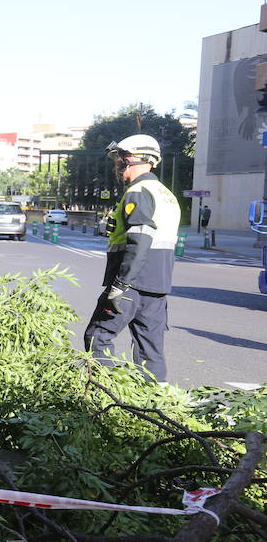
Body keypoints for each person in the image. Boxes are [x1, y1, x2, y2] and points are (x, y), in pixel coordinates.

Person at [83, 134, 180, 383]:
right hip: (157, 285)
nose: (117, 164)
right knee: (151, 351)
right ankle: (153, 403)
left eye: (120, 158)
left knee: (98, 336)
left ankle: (108, 395)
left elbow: (140, 240)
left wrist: (121, 285)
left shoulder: (138, 192)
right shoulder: (165, 194)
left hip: (131, 283)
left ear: (133, 159)